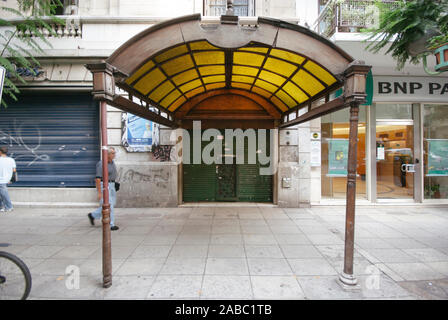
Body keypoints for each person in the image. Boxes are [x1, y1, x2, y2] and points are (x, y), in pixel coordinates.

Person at [88, 147, 119, 231]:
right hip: (104, 185)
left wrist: (114, 183)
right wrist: (99, 192)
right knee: (109, 205)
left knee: (111, 204)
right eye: (112, 153)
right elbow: (97, 178)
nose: (114, 155)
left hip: (111, 185)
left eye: (114, 153)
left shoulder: (112, 162)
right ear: (107, 154)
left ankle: (93, 215)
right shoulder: (101, 164)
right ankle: (110, 224)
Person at [0, 146, 16, 213]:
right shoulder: (11, 160)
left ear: (0, 152)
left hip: (1, 180)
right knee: (2, 194)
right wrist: (11, 179)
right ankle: (2, 207)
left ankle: (9, 207)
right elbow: (14, 170)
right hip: (7, 179)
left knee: (4, 194)